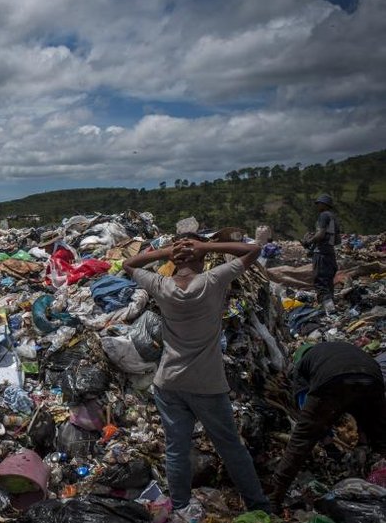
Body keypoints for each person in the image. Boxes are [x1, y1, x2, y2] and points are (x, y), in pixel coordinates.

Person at [123, 233, 271, 519]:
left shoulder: (160, 284)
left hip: (168, 383)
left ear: (175, 262)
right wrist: (206, 246)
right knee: (230, 448)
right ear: (203, 258)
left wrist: (166, 252)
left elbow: (129, 264)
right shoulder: (214, 280)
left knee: (176, 449)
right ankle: (258, 505)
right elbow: (253, 250)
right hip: (207, 384)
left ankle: (180, 507)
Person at [270, 342, 386, 510]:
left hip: (333, 379)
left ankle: (274, 499)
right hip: (372, 378)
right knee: (381, 437)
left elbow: (306, 410)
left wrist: (325, 439)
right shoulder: (335, 348)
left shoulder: (302, 365)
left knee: (301, 441)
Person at [303, 194, 340, 314]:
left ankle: (329, 309)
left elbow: (321, 234)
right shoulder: (333, 217)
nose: (317, 205)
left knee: (320, 280)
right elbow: (337, 239)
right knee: (328, 280)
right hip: (330, 252)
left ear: (324, 204)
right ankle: (330, 305)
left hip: (322, 253)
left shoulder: (323, 215)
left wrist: (309, 241)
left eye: (319, 203)